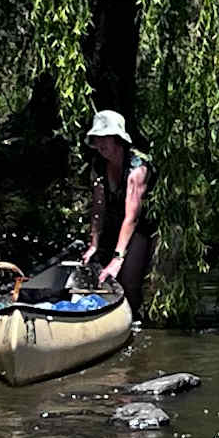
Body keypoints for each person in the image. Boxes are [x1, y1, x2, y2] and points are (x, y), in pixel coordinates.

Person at [79, 109, 156, 309]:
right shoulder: (99, 165)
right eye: (96, 139)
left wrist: (118, 258)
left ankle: (134, 319)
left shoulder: (137, 169)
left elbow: (132, 217)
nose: (100, 144)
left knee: (128, 279)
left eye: (105, 138)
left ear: (117, 139)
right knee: (102, 271)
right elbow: (98, 207)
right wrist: (94, 243)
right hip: (116, 219)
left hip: (143, 224)